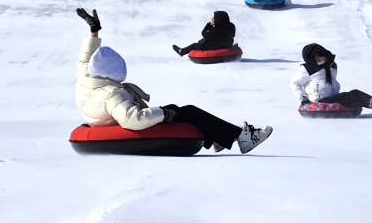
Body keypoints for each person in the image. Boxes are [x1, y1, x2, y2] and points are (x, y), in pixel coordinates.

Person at [75, 8, 272, 153]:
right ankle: (242, 137)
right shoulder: (112, 94)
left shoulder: (86, 77)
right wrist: (163, 114)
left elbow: (86, 56)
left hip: (106, 118)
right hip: (122, 124)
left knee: (179, 109)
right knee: (187, 111)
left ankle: (219, 137)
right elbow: (132, 119)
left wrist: (94, 32)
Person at [291, 43, 372, 114]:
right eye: (315, 57)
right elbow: (295, 83)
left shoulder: (331, 66)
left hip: (332, 97)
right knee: (353, 94)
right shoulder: (308, 69)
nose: (319, 59)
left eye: (320, 56)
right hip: (319, 100)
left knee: (351, 97)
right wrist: (303, 97)